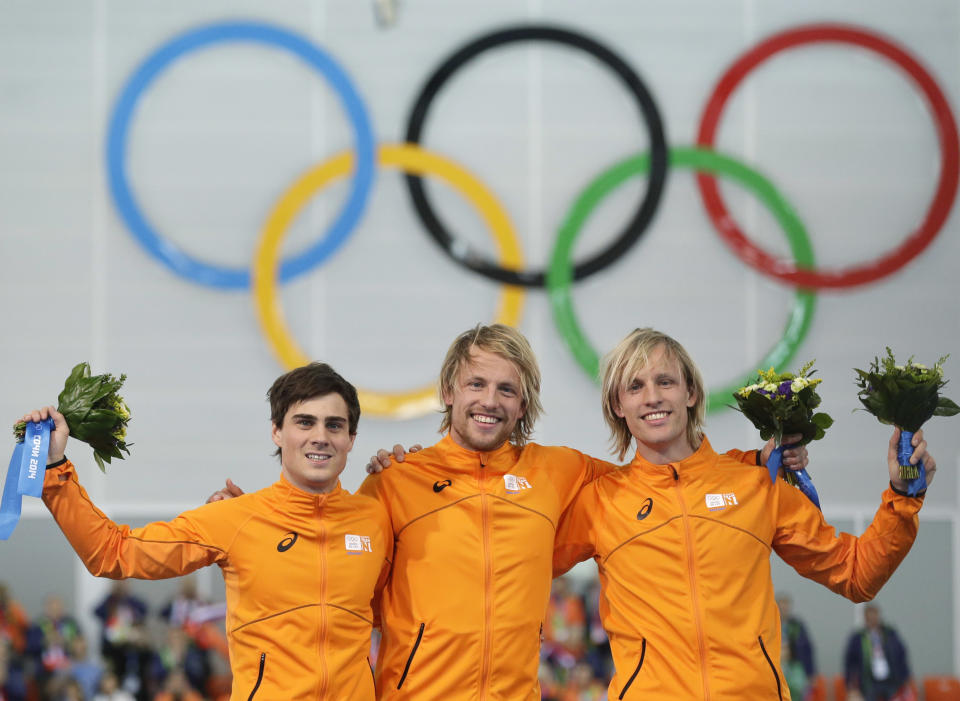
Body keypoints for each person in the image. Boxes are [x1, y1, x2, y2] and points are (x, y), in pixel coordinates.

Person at [211, 324, 804, 699]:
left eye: (506, 390)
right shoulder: (397, 481)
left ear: (524, 405)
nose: (489, 401)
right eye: (475, 385)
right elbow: (335, 572)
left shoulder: (561, 471)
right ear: (448, 392)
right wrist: (259, 532)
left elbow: (665, 474)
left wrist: (753, 460)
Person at [553, 327, 934, 700]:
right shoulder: (601, 500)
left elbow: (857, 574)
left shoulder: (753, 484)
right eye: (635, 387)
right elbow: (515, 567)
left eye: (665, 381)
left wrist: (902, 497)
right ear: (618, 405)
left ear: (690, 392)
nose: (652, 397)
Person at [24, 362, 392, 701]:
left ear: (352, 438)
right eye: (305, 422)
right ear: (277, 432)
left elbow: (404, 613)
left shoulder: (374, 520)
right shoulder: (235, 518)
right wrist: (55, 468)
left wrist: (407, 472)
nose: (320, 436)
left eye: (334, 425)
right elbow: (113, 552)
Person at [844, 604, 913, 701]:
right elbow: (850, 661)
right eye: (869, 616)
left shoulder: (890, 634)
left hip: (891, 680)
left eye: (874, 615)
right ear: (865, 618)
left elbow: (901, 655)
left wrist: (905, 677)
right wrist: (850, 683)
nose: (872, 619)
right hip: (869, 682)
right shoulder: (858, 637)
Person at [777, 593, 816, 700]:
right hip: (777, 665)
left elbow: (808, 650)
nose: (784, 608)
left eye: (786, 605)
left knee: (797, 693)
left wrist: (811, 673)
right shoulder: (770, 623)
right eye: (782, 605)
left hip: (795, 666)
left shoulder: (797, 625)